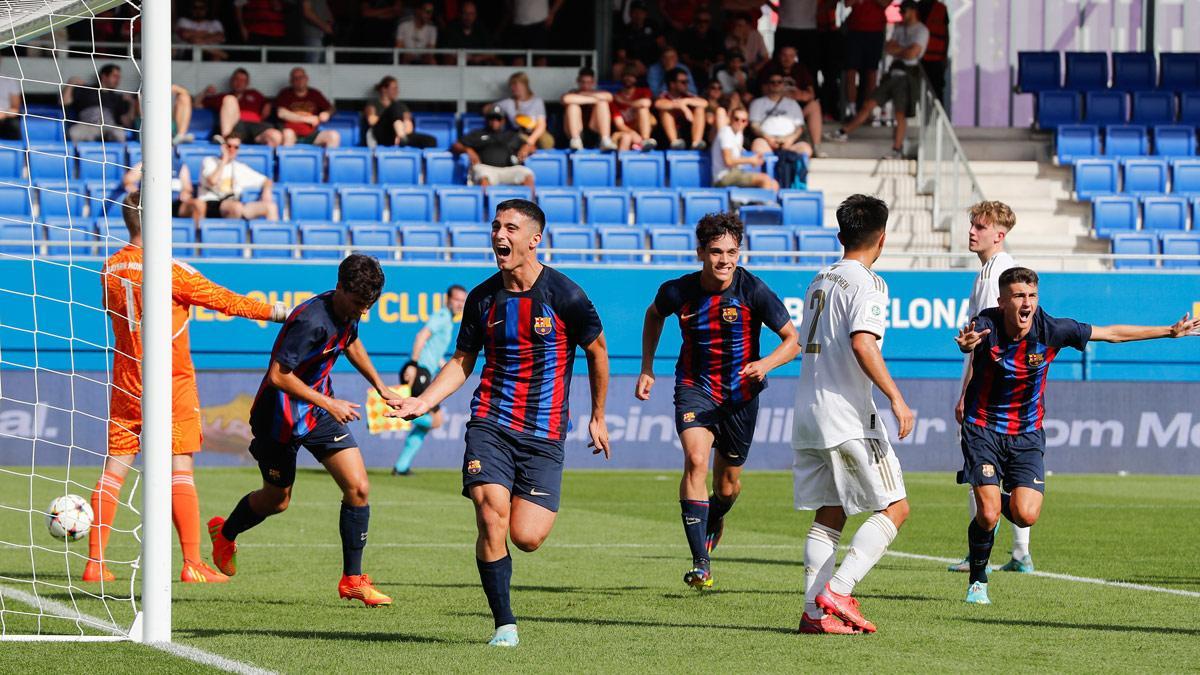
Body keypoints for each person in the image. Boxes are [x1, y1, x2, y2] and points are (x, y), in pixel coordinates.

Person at [389, 199, 612, 648]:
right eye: (495, 227)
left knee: (526, 537)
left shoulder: (566, 296)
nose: (499, 235)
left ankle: (508, 586)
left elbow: (598, 351)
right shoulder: (482, 298)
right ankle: (504, 624)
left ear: (534, 239)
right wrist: (424, 400)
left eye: (510, 228)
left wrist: (598, 416)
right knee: (491, 513)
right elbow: (462, 360)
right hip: (491, 422)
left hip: (545, 433)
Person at [954, 269, 1200, 605]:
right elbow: (970, 337)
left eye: (1032, 296)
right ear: (1002, 302)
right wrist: (967, 343)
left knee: (1026, 514)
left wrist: (1169, 332)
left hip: (1027, 433)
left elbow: (1111, 333)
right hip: (983, 428)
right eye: (1019, 296)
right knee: (988, 513)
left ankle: (995, 502)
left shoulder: (1052, 330)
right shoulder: (987, 324)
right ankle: (978, 580)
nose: (1027, 303)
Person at [83, 191, 288, 584]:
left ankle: (96, 563)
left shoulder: (110, 268)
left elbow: (111, 311)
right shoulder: (170, 270)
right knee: (180, 467)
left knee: (115, 466)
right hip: (170, 382)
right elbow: (226, 301)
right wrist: (278, 312)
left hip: (126, 380)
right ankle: (192, 562)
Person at [208, 254, 401, 607]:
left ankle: (352, 580)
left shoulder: (350, 310)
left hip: (318, 412)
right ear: (340, 287)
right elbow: (278, 376)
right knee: (277, 501)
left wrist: (380, 386)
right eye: (358, 303)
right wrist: (330, 403)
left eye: (367, 305)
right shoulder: (310, 321)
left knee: (358, 487)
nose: (362, 311)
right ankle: (225, 533)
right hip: (278, 420)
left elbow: (351, 341)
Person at [637, 212, 798, 589]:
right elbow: (653, 315)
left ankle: (717, 513)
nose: (724, 260)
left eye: (731, 252)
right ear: (700, 253)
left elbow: (793, 341)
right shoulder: (678, 291)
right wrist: (647, 366)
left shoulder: (753, 290)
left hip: (740, 397)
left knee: (727, 488)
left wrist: (766, 364)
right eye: (715, 252)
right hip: (695, 387)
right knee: (695, 459)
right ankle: (701, 563)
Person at [792, 194, 915, 635]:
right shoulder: (869, 283)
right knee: (896, 507)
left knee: (831, 511)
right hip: (847, 416)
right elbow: (863, 343)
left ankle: (813, 614)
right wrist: (896, 398)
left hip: (809, 412)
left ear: (840, 234)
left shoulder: (820, 279)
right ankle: (839, 592)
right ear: (882, 237)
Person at [947, 202, 1028, 575]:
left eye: (979, 226)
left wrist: (967, 391)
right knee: (1002, 471)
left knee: (981, 469)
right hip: (1003, 383)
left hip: (993, 386)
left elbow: (984, 340)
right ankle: (1020, 553)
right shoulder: (989, 271)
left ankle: (980, 553)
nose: (971, 231)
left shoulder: (998, 273)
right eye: (972, 225)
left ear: (999, 234)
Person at [825, 0, 929, 159]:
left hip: (907, 76)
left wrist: (900, 50)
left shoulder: (921, 30)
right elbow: (889, 48)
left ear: (913, 11)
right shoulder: (899, 28)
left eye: (904, 11)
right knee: (869, 104)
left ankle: (897, 149)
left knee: (900, 113)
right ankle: (843, 132)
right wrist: (903, 50)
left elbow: (912, 54)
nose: (901, 14)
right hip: (892, 73)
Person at [392, 284, 468, 476]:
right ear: (447, 300)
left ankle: (401, 466)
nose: (459, 304)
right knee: (436, 420)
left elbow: (435, 351)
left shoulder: (448, 320)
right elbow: (422, 336)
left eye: (462, 300)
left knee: (426, 426)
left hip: (426, 370)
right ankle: (401, 417)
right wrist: (413, 364)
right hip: (420, 370)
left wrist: (444, 367)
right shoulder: (442, 316)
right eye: (456, 299)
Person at [197, 136, 279, 222]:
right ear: (223, 147)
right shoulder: (209, 161)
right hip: (210, 203)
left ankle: (273, 231)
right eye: (229, 146)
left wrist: (267, 192)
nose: (232, 150)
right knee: (236, 207)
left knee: (270, 207)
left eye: (236, 147)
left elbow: (266, 181)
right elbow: (212, 181)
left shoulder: (240, 167)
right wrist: (224, 161)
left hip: (234, 204)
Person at [452, 105, 536, 189]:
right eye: (492, 118)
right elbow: (456, 145)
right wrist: (468, 150)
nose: (495, 121)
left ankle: (530, 198)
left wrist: (526, 148)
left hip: (509, 170)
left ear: (503, 120)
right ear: (487, 119)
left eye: (498, 118)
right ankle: (485, 197)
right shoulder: (478, 134)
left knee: (527, 174)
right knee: (483, 175)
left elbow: (532, 147)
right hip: (486, 169)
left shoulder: (512, 135)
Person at [758, 45, 823, 152]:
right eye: (784, 55)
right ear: (779, 56)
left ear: (795, 57)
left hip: (795, 111)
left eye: (791, 56)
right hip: (772, 110)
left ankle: (816, 148)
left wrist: (798, 95)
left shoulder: (801, 69)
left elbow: (811, 94)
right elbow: (764, 91)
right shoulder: (770, 68)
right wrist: (783, 95)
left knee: (814, 105)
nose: (787, 59)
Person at [198, 68, 284, 147]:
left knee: (275, 136)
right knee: (230, 99)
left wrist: (268, 104)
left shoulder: (255, 94)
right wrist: (205, 92)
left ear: (247, 83)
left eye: (243, 80)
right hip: (235, 128)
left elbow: (273, 106)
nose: (239, 83)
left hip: (255, 128)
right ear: (231, 81)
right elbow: (197, 105)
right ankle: (226, 140)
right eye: (236, 79)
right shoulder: (222, 97)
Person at [841, 0, 891, 118]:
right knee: (851, 71)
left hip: (875, 31)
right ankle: (852, 109)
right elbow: (847, 3)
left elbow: (885, 3)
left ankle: (867, 111)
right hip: (855, 31)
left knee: (871, 72)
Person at [748, 74, 814, 160]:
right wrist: (768, 138)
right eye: (773, 82)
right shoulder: (757, 103)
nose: (776, 84)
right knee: (757, 146)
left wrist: (790, 140)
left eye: (779, 82)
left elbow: (799, 127)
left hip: (790, 141)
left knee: (806, 149)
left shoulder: (792, 103)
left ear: (783, 85)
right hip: (767, 141)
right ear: (767, 85)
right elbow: (754, 125)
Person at [363, 76, 437, 148]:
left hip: (399, 136)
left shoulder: (401, 106)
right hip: (382, 136)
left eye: (397, 88)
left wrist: (401, 131)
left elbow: (408, 125)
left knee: (430, 141)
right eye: (394, 88)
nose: (397, 91)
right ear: (384, 89)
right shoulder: (373, 104)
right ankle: (401, 137)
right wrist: (393, 122)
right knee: (395, 107)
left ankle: (402, 138)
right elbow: (372, 121)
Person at [66, 64, 134, 142]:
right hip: (88, 126)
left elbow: (127, 123)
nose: (118, 80)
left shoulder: (118, 97)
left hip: (109, 127)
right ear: (104, 76)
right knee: (74, 133)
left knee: (120, 134)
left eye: (119, 77)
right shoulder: (86, 90)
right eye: (115, 76)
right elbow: (64, 102)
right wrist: (71, 83)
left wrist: (131, 104)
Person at [274, 67, 340, 148]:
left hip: (311, 134)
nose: (299, 80)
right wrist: (306, 119)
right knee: (287, 134)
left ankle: (326, 157)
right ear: (291, 81)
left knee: (333, 136)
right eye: (295, 78)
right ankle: (288, 157)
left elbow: (332, 108)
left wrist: (327, 113)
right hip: (292, 133)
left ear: (306, 78)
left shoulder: (315, 94)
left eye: (301, 77)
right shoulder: (285, 94)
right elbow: (281, 113)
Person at [711, 109, 777, 189]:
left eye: (743, 120)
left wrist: (754, 161)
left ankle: (763, 197)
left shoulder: (739, 135)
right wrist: (750, 160)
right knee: (765, 180)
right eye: (736, 119)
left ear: (746, 123)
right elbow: (728, 161)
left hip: (735, 173)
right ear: (730, 119)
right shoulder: (726, 133)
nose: (739, 122)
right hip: (723, 176)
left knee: (774, 184)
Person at [493, 72, 553, 151]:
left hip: (535, 134)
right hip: (520, 135)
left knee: (547, 141)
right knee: (515, 140)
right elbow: (488, 108)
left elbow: (541, 125)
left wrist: (530, 141)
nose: (513, 88)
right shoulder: (508, 103)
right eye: (511, 85)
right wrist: (499, 118)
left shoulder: (537, 101)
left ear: (525, 84)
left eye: (515, 84)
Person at [561, 67, 616, 151]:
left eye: (589, 82)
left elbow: (609, 97)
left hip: (593, 130)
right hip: (576, 132)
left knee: (602, 104)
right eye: (583, 82)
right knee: (573, 106)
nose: (585, 85)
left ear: (593, 82)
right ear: (578, 81)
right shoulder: (573, 93)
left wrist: (584, 96)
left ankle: (605, 140)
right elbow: (565, 99)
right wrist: (593, 99)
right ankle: (575, 140)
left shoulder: (598, 93)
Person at [655, 67, 708, 150]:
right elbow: (658, 104)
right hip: (665, 135)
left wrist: (686, 101)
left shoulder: (688, 96)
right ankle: (674, 143)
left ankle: (696, 143)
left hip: (687, 131)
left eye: (687, 82)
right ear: (672, 84)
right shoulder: (664, 95)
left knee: (700, 109)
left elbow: (704, 103)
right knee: (665, 112)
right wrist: (683, 107)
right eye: (683, 82)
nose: (686, 84)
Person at [609, 66, 656, 151]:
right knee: (626, 137)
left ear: (636, 78)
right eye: (626, 76)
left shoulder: (643, 91)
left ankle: (645, 140)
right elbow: (619, 124)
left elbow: (646, 103)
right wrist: (633, 134)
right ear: (622, 78)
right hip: (625, 131)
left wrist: (624, 102)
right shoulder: (616, 98)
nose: (628, 78)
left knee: (643, 109)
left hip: (641, 128)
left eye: (632, 76)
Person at [774, 0, 820, 83]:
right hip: (785, 27)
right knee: (779, 65)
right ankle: (778, 89)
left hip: (808, 28)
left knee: (810, 67)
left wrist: (819, 10)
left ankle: (809, 89)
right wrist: (777, 10)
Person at [918, 0, 950, 104]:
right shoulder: (916, 7)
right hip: (918, 59)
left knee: (937, 92)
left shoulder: (941, 9)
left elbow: (946, 34)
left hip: (936, 59)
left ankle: (937, 114)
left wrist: (944, 56)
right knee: (918, 92)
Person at [0, 57, 23, 140]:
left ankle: (15, 147)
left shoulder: (9, 80)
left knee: (14, 125)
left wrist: (3, 114)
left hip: (5, 118)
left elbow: (15, 108)